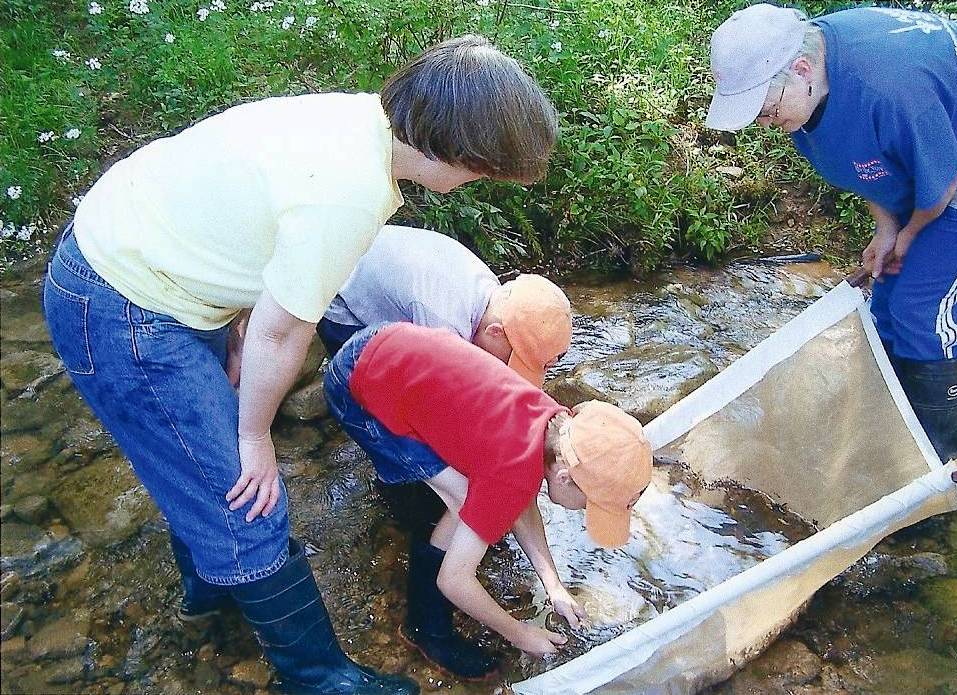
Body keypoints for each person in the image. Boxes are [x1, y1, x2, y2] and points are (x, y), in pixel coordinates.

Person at [42, 34, 558, 695]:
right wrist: (255, 435)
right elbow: (284, 331)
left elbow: (253, 231)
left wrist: (231, 330)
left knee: (196, 466)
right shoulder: (347, 191)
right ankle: (316, 677)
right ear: (456, 150)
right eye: (482, 172)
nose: (470, 185)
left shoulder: (353, 121)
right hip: (124, 302)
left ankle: (210, 594)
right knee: (247, 497)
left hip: (134, 252)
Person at [706, 4, 957, 471]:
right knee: (885, 306)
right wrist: (886, 229)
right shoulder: (804, 100)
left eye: (769, 111)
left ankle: (937, 484)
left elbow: (944, 181)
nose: (766, 125)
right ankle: (889, 455)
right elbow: (862, 166)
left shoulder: (888, 86)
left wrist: (909, 235)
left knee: (925, 313)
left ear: (801, 70)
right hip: (937, 156)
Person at [324, 321, 652, 679]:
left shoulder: (551, 420)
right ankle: (426, 630)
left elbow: (520, 500)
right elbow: (455, 580)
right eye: (590, 505)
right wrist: (520, 633)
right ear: (564, 477)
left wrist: (553, 584)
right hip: (355, 388)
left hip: (386, 342)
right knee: (463, 502)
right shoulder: (512, 472)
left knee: (475, 501)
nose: (584, 513)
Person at [316, 226, 572, 386]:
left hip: (371, 262)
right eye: (509, 360)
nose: (505, 369)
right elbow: (441, 392)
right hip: (342, 301)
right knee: (383, 398)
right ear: (495, 331)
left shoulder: (491, 292)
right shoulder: (444, 317)